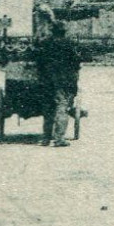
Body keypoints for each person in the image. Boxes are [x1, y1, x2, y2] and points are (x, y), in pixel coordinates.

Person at [31, 12, 82, 147]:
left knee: (48, 109)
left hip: (47, 81)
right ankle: (59, 139)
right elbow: (76, 63)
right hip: (64, 82)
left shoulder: (45, 43)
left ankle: (46, 138)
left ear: (52, 31)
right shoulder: (69, 44)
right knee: (61, 108)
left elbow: (39, 61)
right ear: (64, 32)